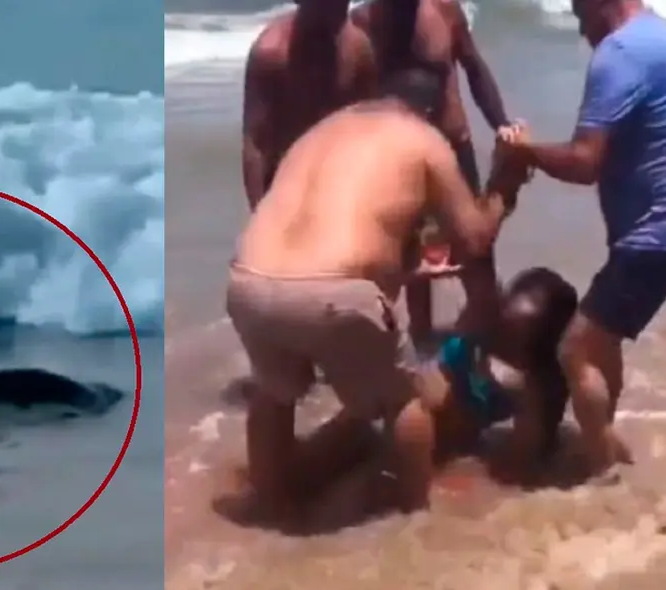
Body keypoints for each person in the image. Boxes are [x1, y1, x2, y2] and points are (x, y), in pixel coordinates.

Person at [225, 66, 530, 518]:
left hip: (248, 282)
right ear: (432, 110)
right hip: (332, 294)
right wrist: (505, 183)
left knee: (274, 394)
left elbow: (329, 229)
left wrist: (399, 265)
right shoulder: (422, 138)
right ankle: (412, 516)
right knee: (403, 399)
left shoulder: (321, 131)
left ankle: (271, 505)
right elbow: (474, 240)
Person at [498, 0, 666, 477]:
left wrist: (524, 152)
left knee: (576, 348)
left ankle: (604, 472)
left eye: (579, 13)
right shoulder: (656, 33)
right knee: (602, 341)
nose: (580, 27)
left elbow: (584, 162)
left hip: (659, 230)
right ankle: (607, 445)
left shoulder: (622, 53)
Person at [351, 0, 513, 347]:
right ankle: (424, 356)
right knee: (413, 269)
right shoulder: (363, 23)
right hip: (399, 160)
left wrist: (502, 125)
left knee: (477, 256)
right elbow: (349, 98)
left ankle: (484, 349)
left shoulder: (445, 10)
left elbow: (474, 68)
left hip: (454, 149)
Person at [413, 267, 577, 477]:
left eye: (513, 341)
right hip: (449, 371)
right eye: (501, 328)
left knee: (535, 452)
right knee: (435, 405)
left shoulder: (544, 383)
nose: (499, 342)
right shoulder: (467, 343)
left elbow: (527, 457)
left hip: (498, 394)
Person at [241, 0, 378, 212]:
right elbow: (256, 145)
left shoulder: (358, 49)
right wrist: (260, 214)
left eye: (341, 4)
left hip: (339, 183)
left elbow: (368, 131)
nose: (335, 11)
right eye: (325, 5)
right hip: (285, 184)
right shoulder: (272, 54)